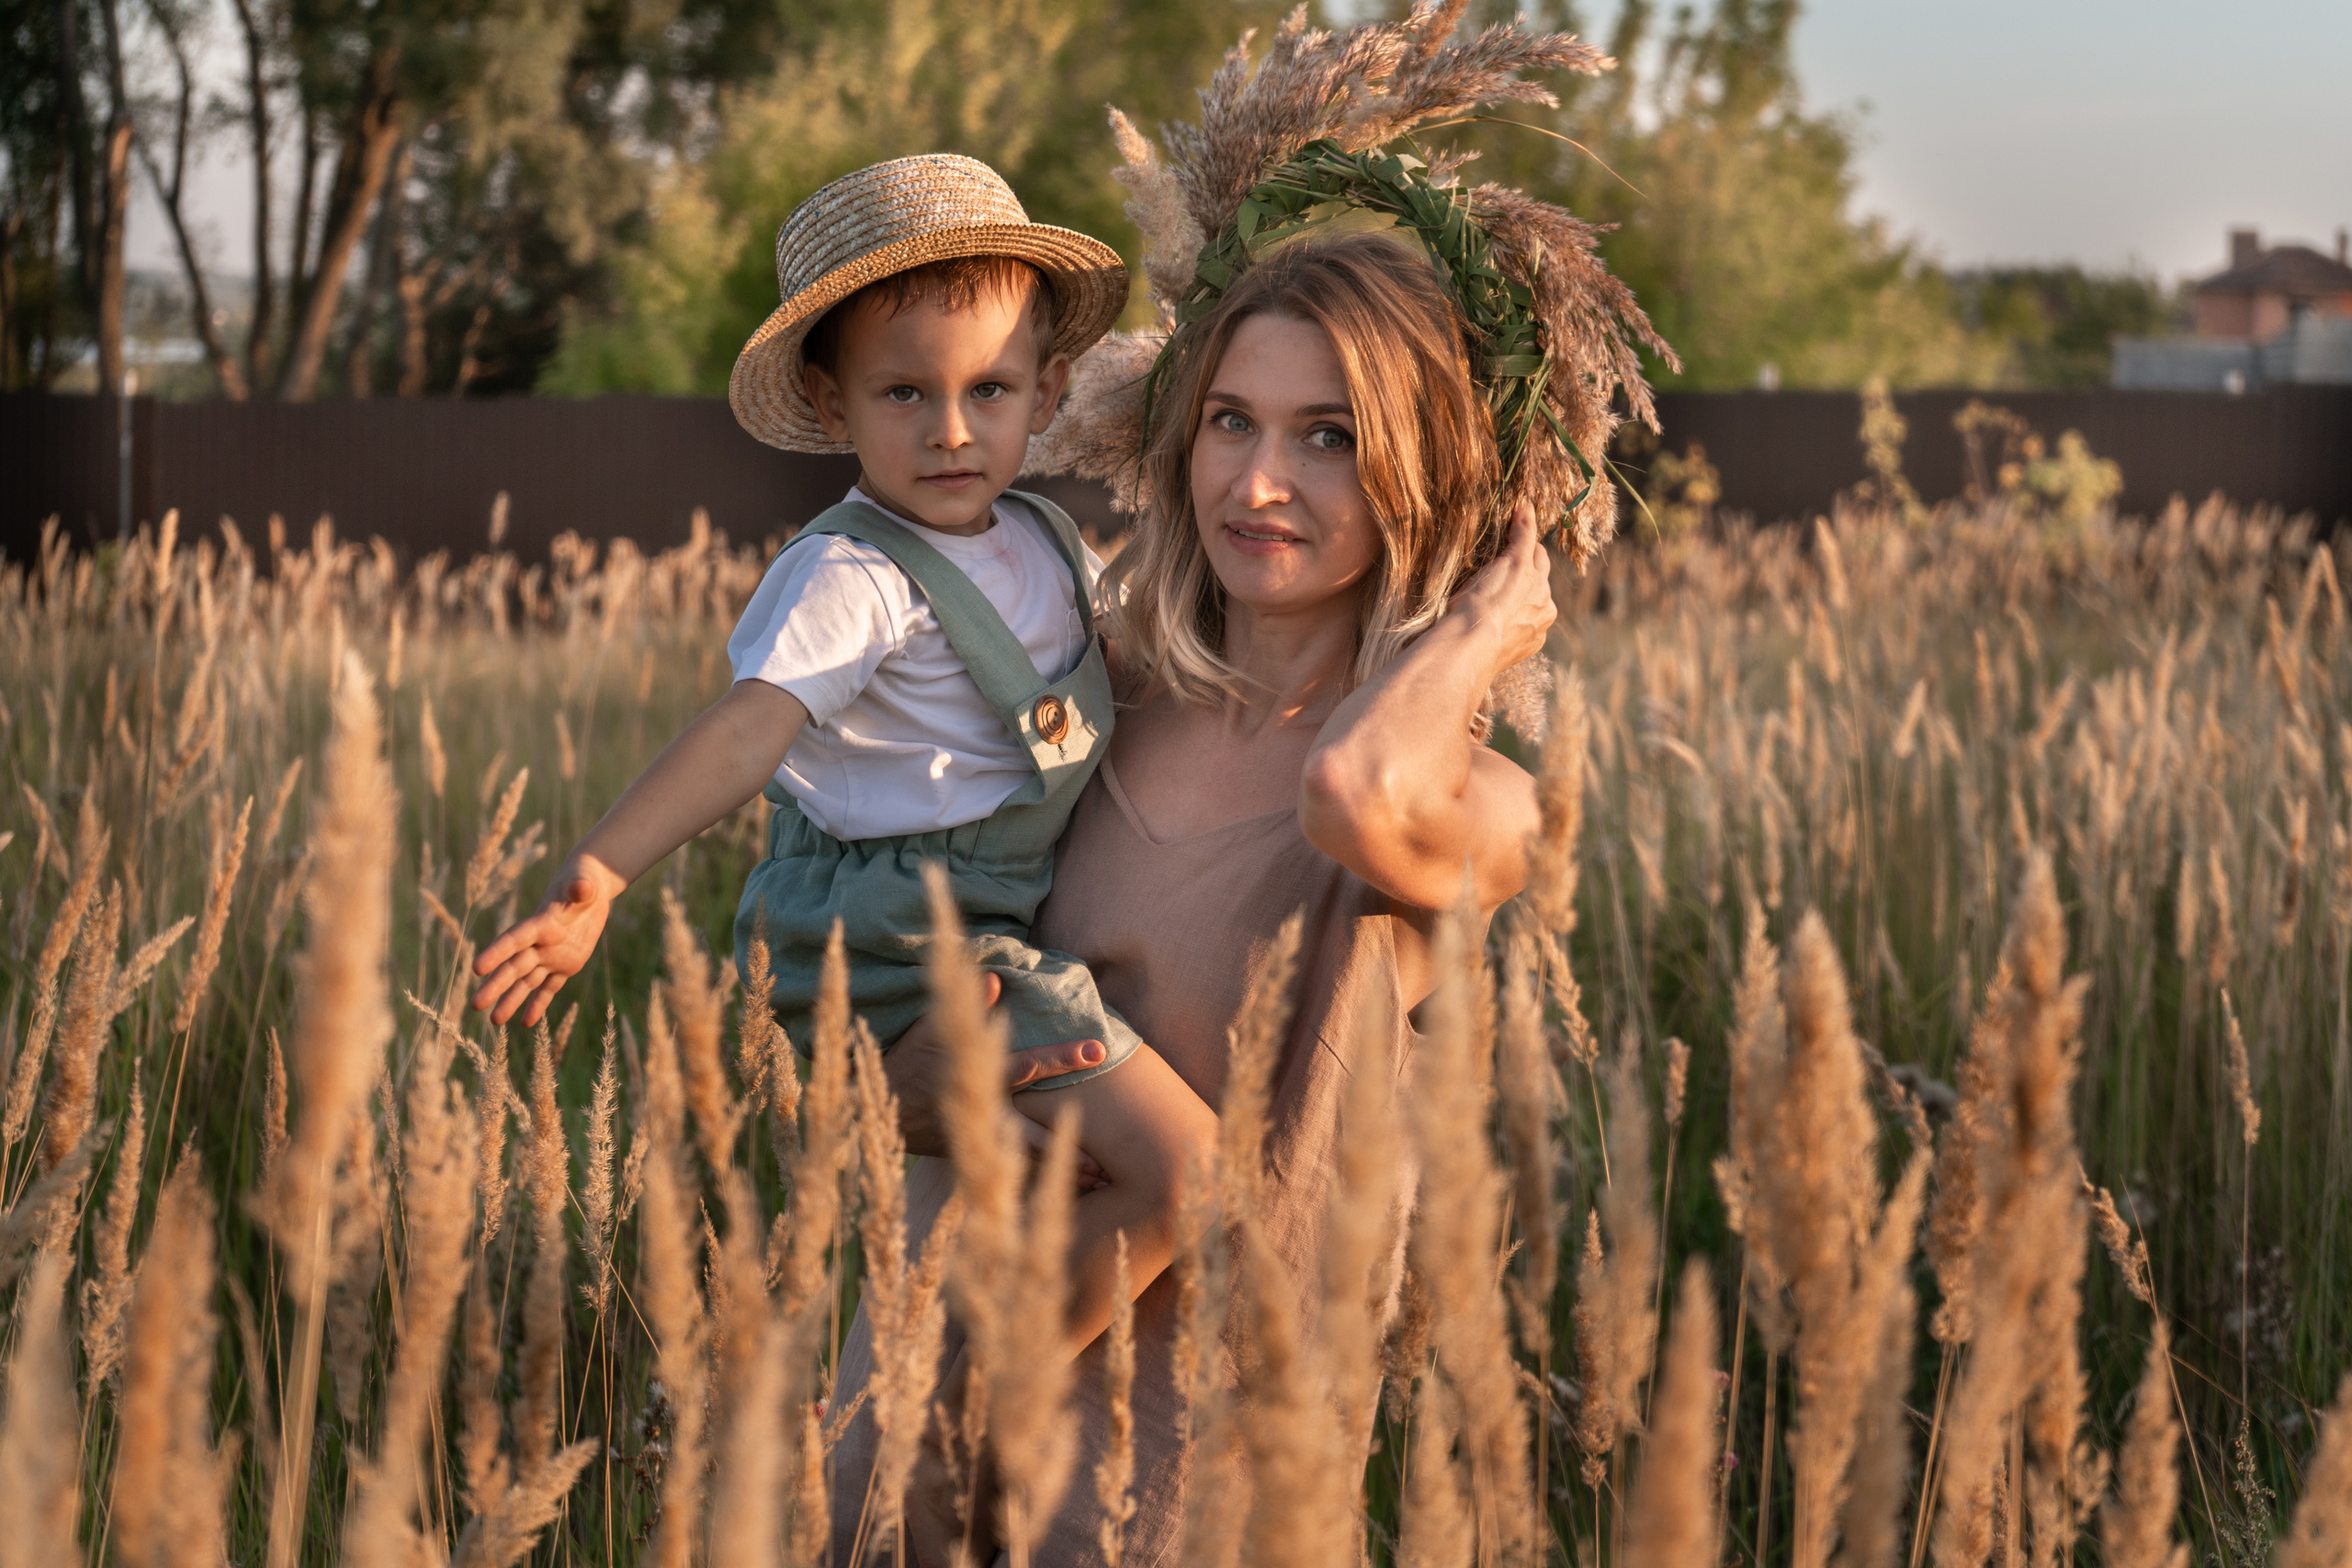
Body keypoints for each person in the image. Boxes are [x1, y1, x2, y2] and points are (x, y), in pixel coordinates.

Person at [829, 229, 1577, 1565]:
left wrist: (1473, 631)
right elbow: (868, 990)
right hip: (910, 1440)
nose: (1262, 482)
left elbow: (1350, 793)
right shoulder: (1081, 702)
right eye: (1232, 421)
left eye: (1331, 437)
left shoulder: (1480, 805)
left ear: (1421, 472)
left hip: (1174, 1496)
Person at [467, 153, 1219, 1391]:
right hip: (897, 942)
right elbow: (746, 731)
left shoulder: (1043, 535)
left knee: (1079, 1169)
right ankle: (980, 1401)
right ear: (832, 406)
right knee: (1189, 1173)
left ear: (1051, 387)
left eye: (990, 388)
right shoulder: (850, 578)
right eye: (904, 394)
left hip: (987, 918)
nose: (952, 429)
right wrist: (600, 873)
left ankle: (1012, 1367)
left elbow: (1110, 672)